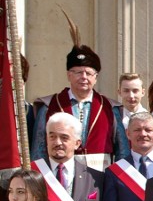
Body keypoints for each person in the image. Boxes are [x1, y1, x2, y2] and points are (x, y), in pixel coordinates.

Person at [31, 27, 129, 164]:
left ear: (96, 78)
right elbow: (38, 151)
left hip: (99, 179)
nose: (83, 77)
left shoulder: (110, 107)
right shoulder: (49, 106)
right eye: (78, 72)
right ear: (68, 75)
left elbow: (122, 151)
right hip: (59, 178)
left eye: (88, 73)